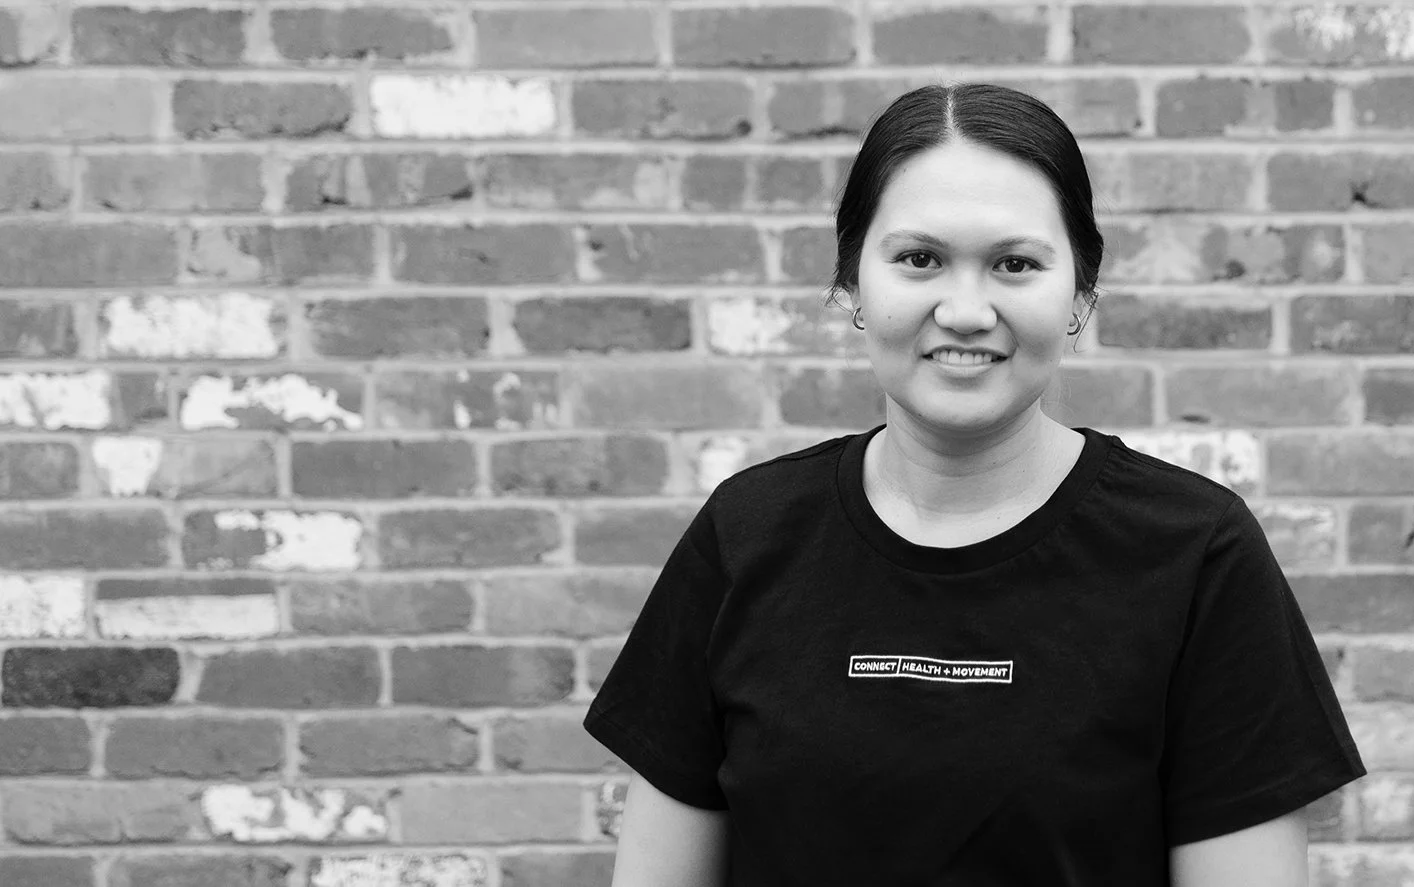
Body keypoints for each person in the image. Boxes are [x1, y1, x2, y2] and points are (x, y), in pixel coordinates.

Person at [584, 82, 1366, 887]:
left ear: (1080, 299)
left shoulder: (1197, 554)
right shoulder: (746, 535)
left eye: (1014, 264)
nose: (965, 309)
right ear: (854, 285)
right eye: (920, 259)